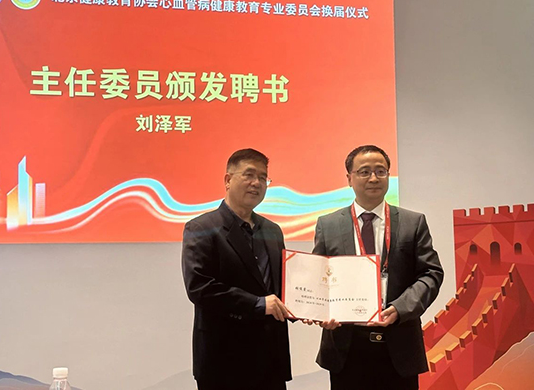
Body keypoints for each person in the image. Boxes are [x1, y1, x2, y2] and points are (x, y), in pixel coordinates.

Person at [312, 145, 444, 390]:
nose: (373, 178)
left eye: (380, 171)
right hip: (346, 348)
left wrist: (400, 308)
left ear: (388, 176)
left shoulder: (412, 222)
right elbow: (319, 278)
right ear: (349, 178)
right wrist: (321, 312)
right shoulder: (328, 225)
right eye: (364, 172)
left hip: (399, 344)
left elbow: (431, 274)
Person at [182, 148, 292, 390]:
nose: (257, 183)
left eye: (263, 178)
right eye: (249, 175)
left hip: (270, 358)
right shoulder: (201, 228)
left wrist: (311, 308)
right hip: (224, 359)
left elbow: (283, 286)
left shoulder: (272, 230)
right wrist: (257, 304)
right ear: (228, 180)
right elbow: (200, 288)